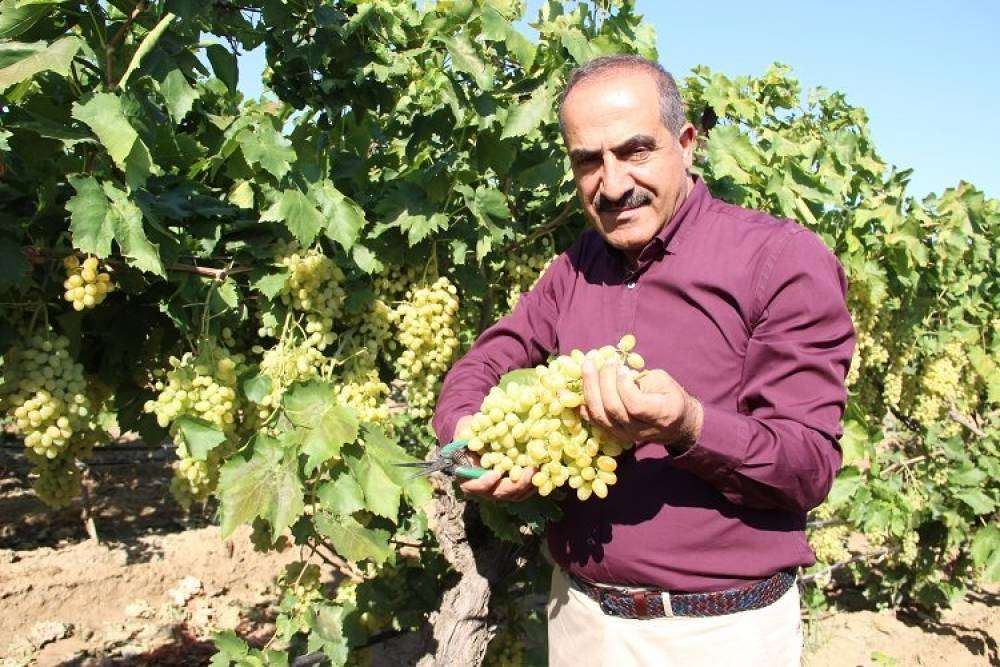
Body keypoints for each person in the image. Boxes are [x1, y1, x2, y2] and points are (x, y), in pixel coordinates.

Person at [432, 54, 855, 666]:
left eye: (635, 151)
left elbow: (807, 467)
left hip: (719, 638)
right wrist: (470, 436)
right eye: (588, 161)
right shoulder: (577, 266)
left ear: (686, 143)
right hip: (579, 620)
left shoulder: (780, 261)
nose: (612, 184)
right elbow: (489, 358)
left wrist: (689, 426)